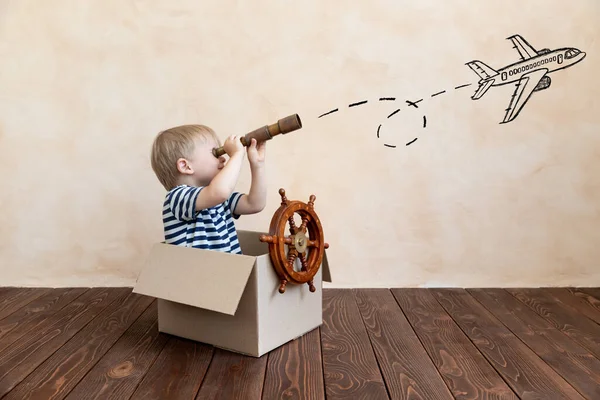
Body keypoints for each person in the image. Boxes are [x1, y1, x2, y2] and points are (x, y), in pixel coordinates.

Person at [150, 124, 267, 254]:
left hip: (227, 271)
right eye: (215, 153)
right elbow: (219, 192)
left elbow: (255, 204)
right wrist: (237, 155)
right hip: (194, 273)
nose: (223, 158)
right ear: (186, 166)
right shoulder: (177, 197)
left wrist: (257, 165)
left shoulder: (217, 198)